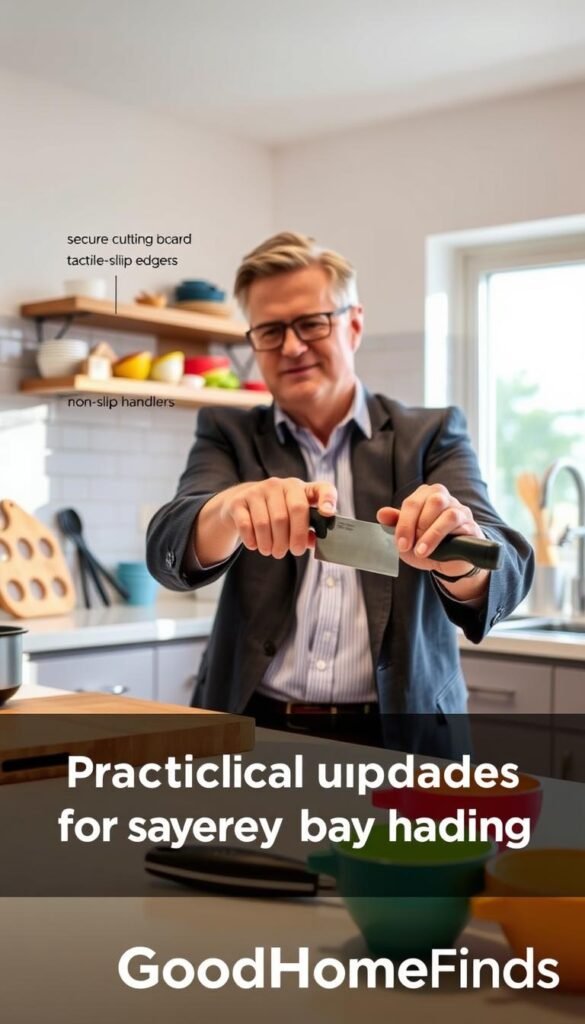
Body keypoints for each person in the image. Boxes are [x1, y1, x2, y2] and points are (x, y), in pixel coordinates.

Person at [146, 232, 533, 750]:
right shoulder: (227, 432)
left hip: (402, 737)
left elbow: (503, 563)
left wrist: (458, 555)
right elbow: (167, 546)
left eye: (311, 323)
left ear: (353, 324)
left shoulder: (431, 434)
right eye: (270, 330)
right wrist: (228, 510)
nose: (291, 346)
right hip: (254, 730)